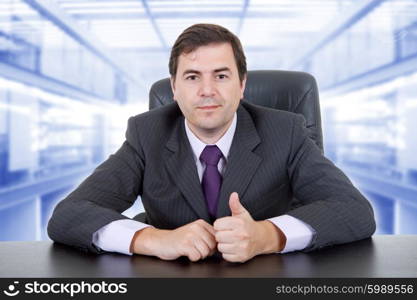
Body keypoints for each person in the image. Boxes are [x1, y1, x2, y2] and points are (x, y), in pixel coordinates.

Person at [47, 23, 376, 263]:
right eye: (192, 77)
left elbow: (354, 210)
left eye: (221, 75)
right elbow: (69, 215)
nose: (207, 90)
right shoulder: (147, 134)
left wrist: (267, 236)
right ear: (174, 88)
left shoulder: (285, 131)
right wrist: (153, 239)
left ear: (242, 85)